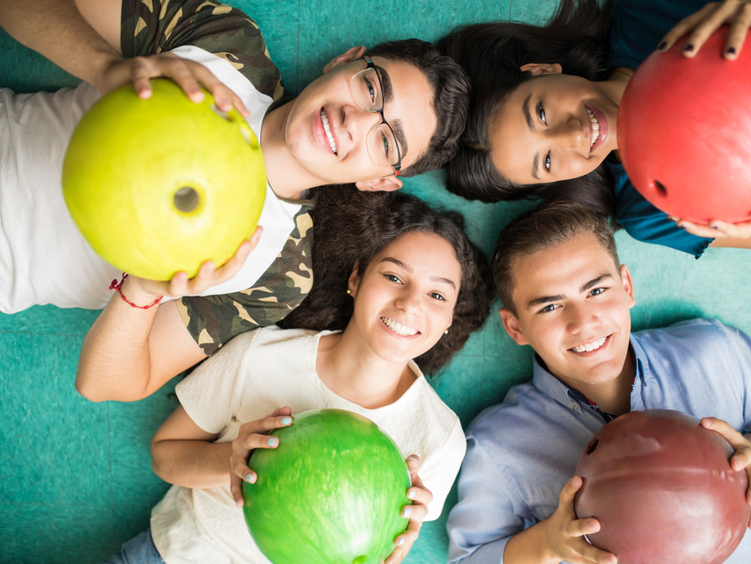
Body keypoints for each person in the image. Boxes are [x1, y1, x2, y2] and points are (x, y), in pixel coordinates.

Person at [0, 0, 470, 400]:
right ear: (344, 62)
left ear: (378, 182)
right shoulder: (227, 43)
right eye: (371, 88)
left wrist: (143, 289)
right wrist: (104, 68)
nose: (356, 120)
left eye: (386, 142)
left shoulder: (279, 274)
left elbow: (105, 383)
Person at [104, 191, 494, 564]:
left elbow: (373, 552)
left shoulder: (440, 438)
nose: (410, 304)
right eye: (394, 276)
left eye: (438, 296)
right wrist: (233, 459)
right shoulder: (259, 354)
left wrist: (387, 548)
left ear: (449, 319)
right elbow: (164, 456)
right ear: (356, 278)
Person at [446, 200, 751, 564]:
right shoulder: (497, 446)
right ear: (515, 327)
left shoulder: (716, 355)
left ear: (626, 286)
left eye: (597, 291)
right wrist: (547, 544)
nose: (583, 322)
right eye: (550, 306)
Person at [439, 0, 751, 257]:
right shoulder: (649, 214)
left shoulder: (647, 11)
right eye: (547, 161)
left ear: (540, 70)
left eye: (541, 113)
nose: (573, 135)